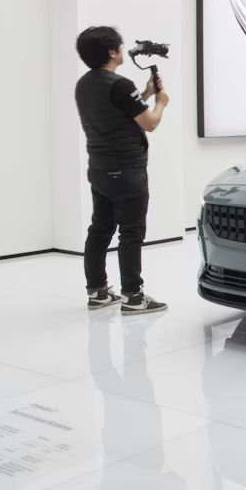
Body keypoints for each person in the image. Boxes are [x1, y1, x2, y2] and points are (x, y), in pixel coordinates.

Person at [74, 27, 169, 315]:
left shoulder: (85, 84)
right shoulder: (119, 84)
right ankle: (133, 297)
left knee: (100, 229)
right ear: (113, 51)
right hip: (127, 170)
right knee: (131, 233)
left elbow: (118, 111)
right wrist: (160, 103)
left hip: (100, 169)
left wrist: (144, 93)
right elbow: (149, 122)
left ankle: (97, 292)